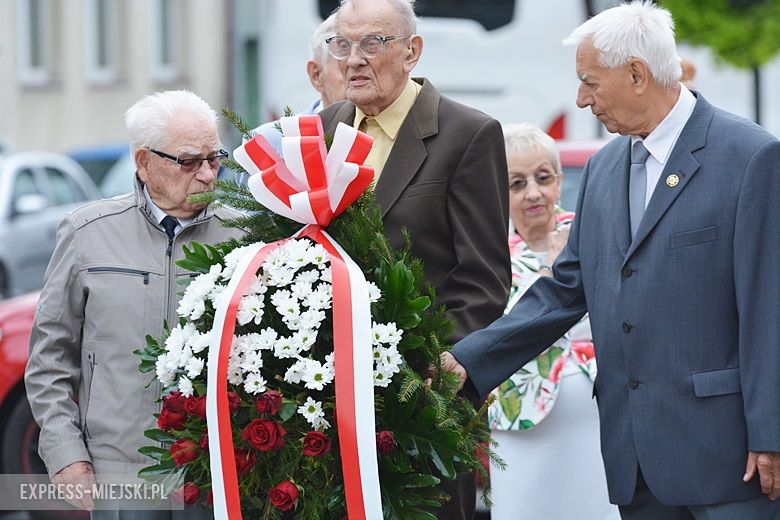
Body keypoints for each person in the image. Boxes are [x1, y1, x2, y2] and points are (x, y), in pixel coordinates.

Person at [444, 2, 780, 519]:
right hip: (636, 461)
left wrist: (772, 431)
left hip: (730, 461)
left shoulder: (750, 156)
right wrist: (466, 361)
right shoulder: (604, 169)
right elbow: (564, 291)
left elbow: (768, 306)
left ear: (637, 75)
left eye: (590, 82)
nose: (581, 100)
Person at [317, 0, 510, 517]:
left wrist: (439, 367)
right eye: (342, 44)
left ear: (412, 51)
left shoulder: (467, 133)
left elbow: (484, 281)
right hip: (331, 399)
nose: (354, 59)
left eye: (373, 43)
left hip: (425, 399)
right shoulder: (325, 127)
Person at [25, 90, 245, 518]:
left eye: (214, 159)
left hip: (215, 474)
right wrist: (66, 454)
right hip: (119, 474)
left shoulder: (245, 236)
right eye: (188, 161)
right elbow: (50, 358)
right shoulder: (87, 233)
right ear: (144, 162)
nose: (206, 175)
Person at [489, 122, 618, 519]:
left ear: (560, 181)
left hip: (600, 416)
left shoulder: (594, 234)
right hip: (519, 422)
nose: (533, 193)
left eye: (543, 178)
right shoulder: (490, 254)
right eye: (516, 183)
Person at [249, 13, 346, 158]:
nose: (358, 77)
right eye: (346, 67)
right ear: (316, 75)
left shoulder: (388, 138)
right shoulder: (267, 143)